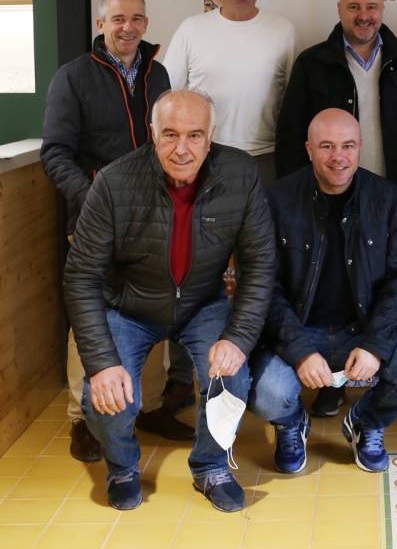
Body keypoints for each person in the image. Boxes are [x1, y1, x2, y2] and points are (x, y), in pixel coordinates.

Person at [63, 90, 275, 511]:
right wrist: (103, 362)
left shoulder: (241, 173)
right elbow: (81, 276)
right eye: (170, 135)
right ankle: (122, 466)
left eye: (195, 135)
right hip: (129, 308)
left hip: (202, 304)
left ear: (211, 135)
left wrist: (238, 337)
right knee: (104, 396)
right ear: (152, 133)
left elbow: (260, 263)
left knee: (231, 378)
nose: (182, 149)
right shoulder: (113, 181)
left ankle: (211, 466)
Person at [41, 0, 194, 463]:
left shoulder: (159, 73)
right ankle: (82, 419)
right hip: (94, 220)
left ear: (146, 24)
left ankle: (147, 406)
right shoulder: (74, 77)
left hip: (153, 216)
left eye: (136, 19)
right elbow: (55, 154)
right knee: (91, 315)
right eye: (117, 19)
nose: (127, 28)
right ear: (101, 24)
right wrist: (95, 200)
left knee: (152, 310)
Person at [274, 0, 397, 423]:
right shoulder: (314, 62)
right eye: (354, 7)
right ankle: (330, 385)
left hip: (389, 194)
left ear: (383, 8)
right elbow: (293, 134)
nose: (363, 15)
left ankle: (395, 383)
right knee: (324, 281)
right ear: (340, 9)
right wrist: (294, 199)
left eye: (372, 6)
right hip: (326, 189)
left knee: (395, 284)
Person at [250, 109, 397, 474]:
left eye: (348, 146)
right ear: (308, 149)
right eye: (327, 146)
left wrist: (375, 345)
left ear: (360, 147)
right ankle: (292, 424)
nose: (339, 157)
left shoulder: (387, 198)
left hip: (363, 328)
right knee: (265, 394)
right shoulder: (277, 200)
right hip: (300, 328)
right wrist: (300, 350)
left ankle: (366, 422)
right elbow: (263, 287)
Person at [163, 0, 294, 187]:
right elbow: (168, 98)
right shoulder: (191, 29)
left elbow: (293, 99)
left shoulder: (284, 31)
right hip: (204, 157)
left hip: (265, 158)